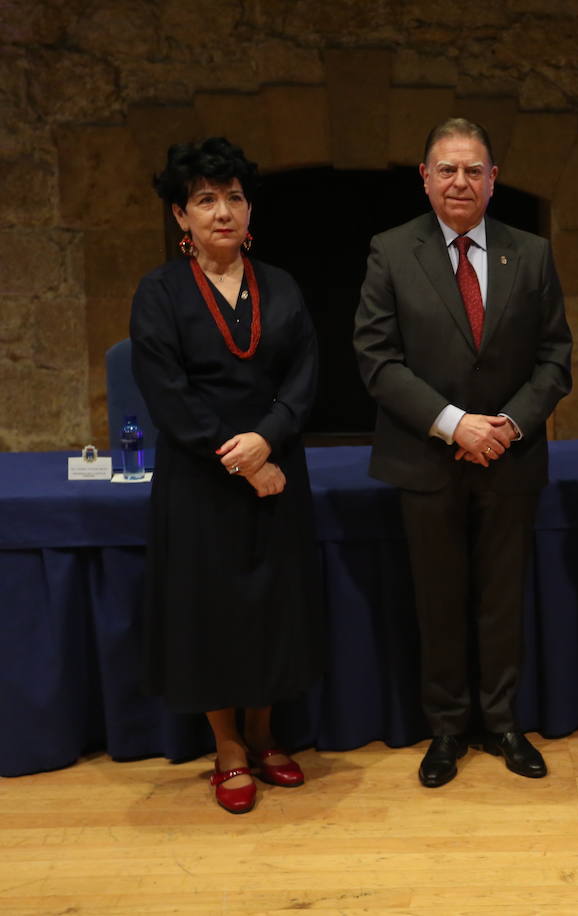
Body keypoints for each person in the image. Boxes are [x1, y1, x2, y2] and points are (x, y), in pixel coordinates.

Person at [354, 118, 571, 787]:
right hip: (426, 461)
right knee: (439, 600)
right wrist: (454, 425)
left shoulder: (530, 254)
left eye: (473, 170)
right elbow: (376, 359)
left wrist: (504, 425)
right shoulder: (391, 252)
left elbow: (556, 358)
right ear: (424, 178)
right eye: (446, 169)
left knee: (502, 600)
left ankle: (503, 723)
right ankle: (446, 729)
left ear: (493, 180)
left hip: (509, 458)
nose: (459, 182)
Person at [131, 137, 322, 815]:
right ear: (181, 216)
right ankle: (228, 749)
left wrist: (267, 441)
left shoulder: (282, 285)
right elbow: (166, 392)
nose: (222, 212)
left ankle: (267, 737)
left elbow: (304, 376)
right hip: (202, 479)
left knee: (273, 608)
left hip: (275, 467)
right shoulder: (158, 293)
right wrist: (238, 457)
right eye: (206, 200)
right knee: (210, 616)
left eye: (234, 197)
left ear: (248, 209)